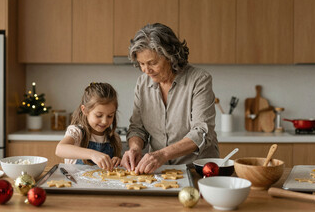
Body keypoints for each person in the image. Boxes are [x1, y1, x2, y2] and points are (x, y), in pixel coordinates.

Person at [121, 23, 219, 174]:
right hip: (160, 171)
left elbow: (201, 132)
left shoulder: (199, 80)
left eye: (152, 63)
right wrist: (134, 149)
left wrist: (162, 154)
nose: (146, 70)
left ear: (170, 57)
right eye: (141, 64)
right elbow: (137, 128)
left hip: (198, 170)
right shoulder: (142, 83)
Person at [56, 82, 122, 171]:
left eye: (110, 116)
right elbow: (60, 149)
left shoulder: (114, 138)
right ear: (85, 110)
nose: (104, 121)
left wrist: (117, 161)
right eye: (99, 115)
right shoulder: (77, 132)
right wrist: (92, 154)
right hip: (76, 183)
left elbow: (116, 164)